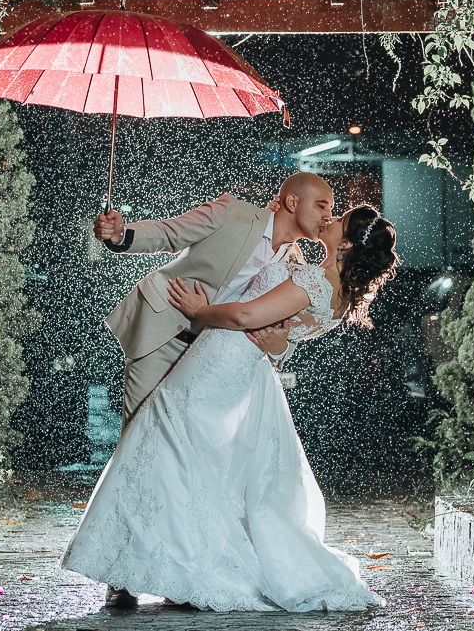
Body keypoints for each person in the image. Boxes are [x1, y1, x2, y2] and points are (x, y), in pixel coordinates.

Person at [61, 205, 400, 613]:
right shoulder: (335, 290)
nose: (328, 217)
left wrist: (199, 312)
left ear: (345, 243)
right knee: (186, 457)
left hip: (221, 358)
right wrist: (279, 346)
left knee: (163, 438)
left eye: (337, 218)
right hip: (238, 366)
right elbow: (287, 330)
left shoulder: (315, 278)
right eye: (325, 208)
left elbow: (246, 315)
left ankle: (156, 567)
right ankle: (158, 564)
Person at [94, 173, 335, 431]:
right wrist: (121, 235)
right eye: (322, 205)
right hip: (163, 334)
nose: (328, 216)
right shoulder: (233, 212)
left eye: (331, 209)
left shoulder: (297, 268)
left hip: (210, 361)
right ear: (292, 202)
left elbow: (288, 332)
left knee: (181, 446)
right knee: (138, 434)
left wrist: (278, 349)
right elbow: (169, 233)